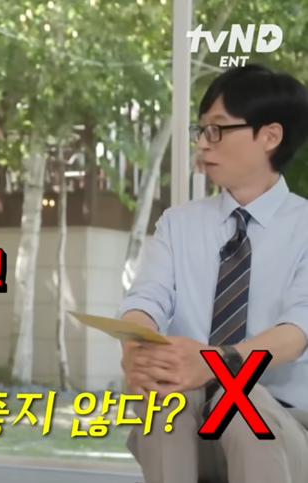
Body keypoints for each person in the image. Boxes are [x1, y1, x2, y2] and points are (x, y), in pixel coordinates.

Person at [119, 64, 308, 483]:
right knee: (166, 402)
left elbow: (297, 331)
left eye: (218, 130)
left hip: (288, 428)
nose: (203, 142)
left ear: (270, 136)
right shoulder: (178, 224)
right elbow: (145, 300)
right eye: (201, 129)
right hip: (191, 426)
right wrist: (136, 350)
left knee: (240, 403)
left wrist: (215, 364)